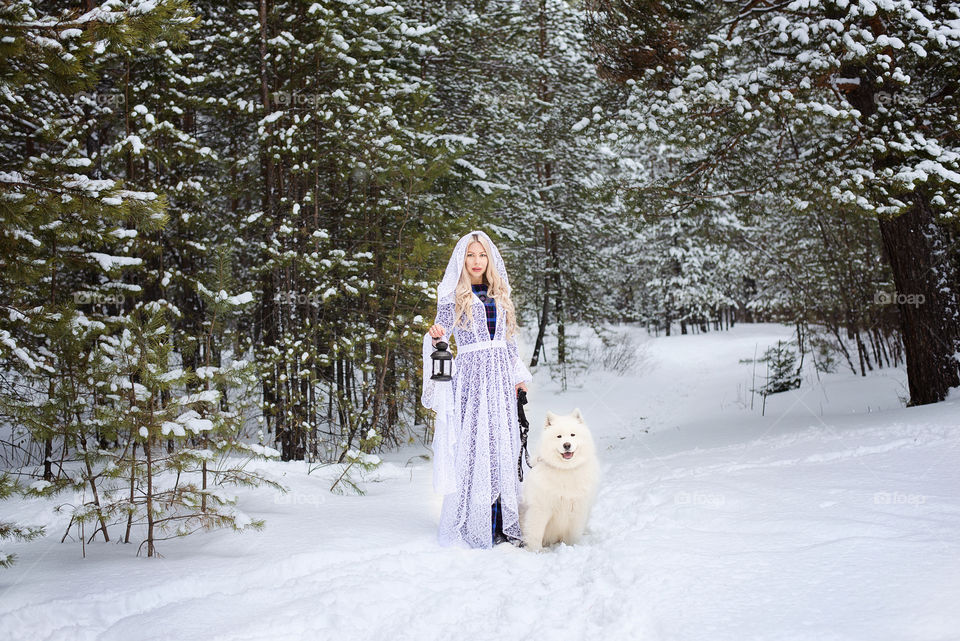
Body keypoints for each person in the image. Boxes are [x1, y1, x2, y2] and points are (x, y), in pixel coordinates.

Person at [421, 230, 533, 549]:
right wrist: (437, 334)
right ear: (462, 259)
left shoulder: (500, 294)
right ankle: (474, 521)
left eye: (481, 254)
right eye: (470, 255)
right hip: (471, 379)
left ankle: (500, 521)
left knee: (501, 444)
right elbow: (441, 336)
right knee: (474, 446)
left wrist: (518, 379)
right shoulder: (455, 296)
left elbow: (509, 342)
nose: (476, 261)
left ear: (490, 259)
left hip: (500, 378)